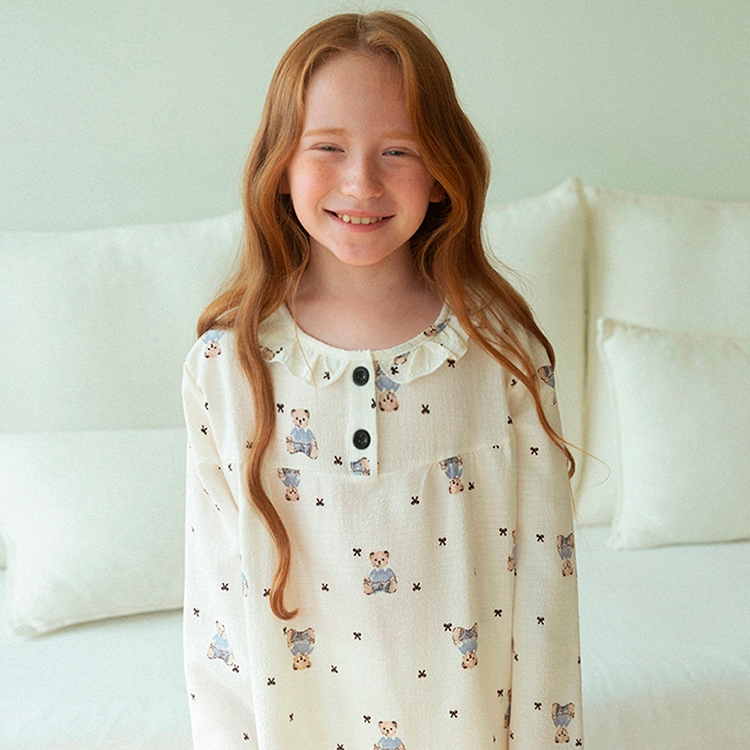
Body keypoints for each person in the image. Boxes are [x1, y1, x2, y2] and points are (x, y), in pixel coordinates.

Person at [182, 11, 583, 749]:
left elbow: (544, 601)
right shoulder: (227, 365)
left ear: (442, 171)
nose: (361, 181)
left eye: (399, 149)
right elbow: (216, 612)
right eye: (327, 147)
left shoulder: (503, 356)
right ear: (280, 165)